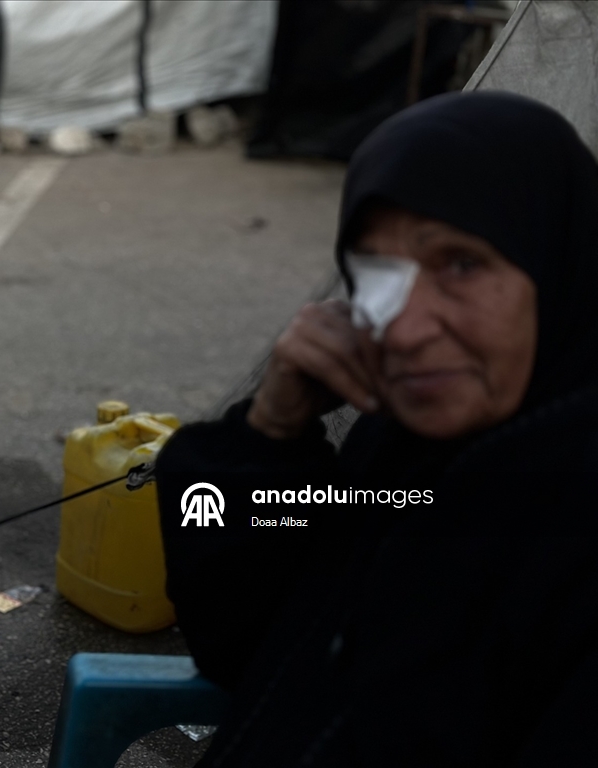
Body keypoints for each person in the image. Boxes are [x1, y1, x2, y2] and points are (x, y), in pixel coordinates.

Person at [155, 91, 597, 766]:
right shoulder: (404, 450)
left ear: (559, 264)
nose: (405, 328)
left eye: (462, 264)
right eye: (375, 272)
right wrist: (268, 434)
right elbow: (241, 639)